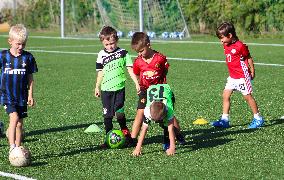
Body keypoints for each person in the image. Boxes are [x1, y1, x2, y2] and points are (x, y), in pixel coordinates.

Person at [130, 32, 184, 145]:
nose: (140, 54)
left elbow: (165, 70)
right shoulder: (138, 61)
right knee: (140, 112)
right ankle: (132, 139)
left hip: (160, 90)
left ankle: (178, 134)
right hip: (145, 90)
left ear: (148, 45)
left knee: (167, 113)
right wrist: (139, 84)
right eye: (138, 52)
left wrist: (160, 81)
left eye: (141, 51)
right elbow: (137, 73)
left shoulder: (160, 58)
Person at [212, 22, 264, 129]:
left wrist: (252, 70)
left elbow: (248, 57)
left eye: (222, 38)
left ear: (230, 35)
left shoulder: (240, 46)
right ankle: (225, 120)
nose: (221, 41)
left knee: (248, 97)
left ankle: (258, 118)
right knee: (225, 95)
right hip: (232, 77)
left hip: (242, 77)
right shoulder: (225, 44)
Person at [94, 26, 140, 148]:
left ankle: (127, 136)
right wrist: (97, 87)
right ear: (103, 43)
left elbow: (130, 69)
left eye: (112, 43)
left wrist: (136, 83)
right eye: (107, 44)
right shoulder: (101, 55)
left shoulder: (123, 53)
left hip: (119, 89)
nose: (110, 46)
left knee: (119, 114)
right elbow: (100, 72)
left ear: (117, 41)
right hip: (106, 90)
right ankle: (108, 139)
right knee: (107, 116)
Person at [0, 24, 38, 153]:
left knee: (20, 124)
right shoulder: (3, 56)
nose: (21, 47)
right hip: (7, 95)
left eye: (23, 44)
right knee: (14, 117)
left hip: (21, 96)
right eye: (18, 44)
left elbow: (30, 78)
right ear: (10, 41)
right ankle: (12, 148)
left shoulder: (28, 57)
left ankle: (18, 147)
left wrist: (30, 95)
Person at [132, 84, 183, 156]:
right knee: (164, 123)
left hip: (167, 90)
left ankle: (178, 135)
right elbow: (144, 129)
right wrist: (138, 148)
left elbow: (170, 128)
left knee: (168, 124)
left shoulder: (169, 109)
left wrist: (172, 147)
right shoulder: (147, 111)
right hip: (152, 88)